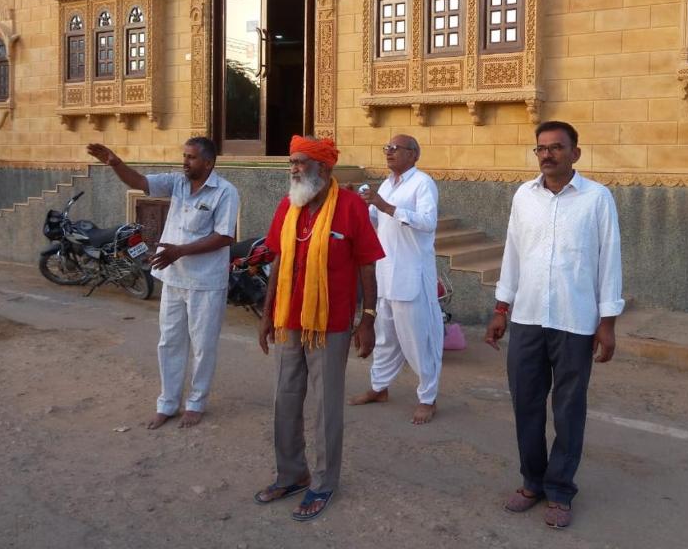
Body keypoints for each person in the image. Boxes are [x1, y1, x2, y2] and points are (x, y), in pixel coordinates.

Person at [484, 121, 623, 530]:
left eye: (557, 148)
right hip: (526, 317)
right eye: (541, 148)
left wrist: (607, 322)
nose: (548, 154)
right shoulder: (523, 197)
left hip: (574, 320)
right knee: (525, 404)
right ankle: (532, 482)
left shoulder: (598, 199)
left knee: (567, 409)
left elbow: (609, 260)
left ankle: (560, 489)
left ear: (575, 153)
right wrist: (500, 308)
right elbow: (513, 253)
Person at [255, 135, 384, 521]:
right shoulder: (288, 205)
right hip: (287, 320)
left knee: (327, 405)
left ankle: (324, 482)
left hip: (331, 324)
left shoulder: (350, 208)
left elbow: (367, 265)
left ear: (324, 169)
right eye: (291, 162)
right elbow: (278, 261)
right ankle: (292, 473)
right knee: (285, 398)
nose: (293, 169)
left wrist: (369, 319)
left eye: (301, 162)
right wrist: (266, 315)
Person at [87, 138, 238, 430]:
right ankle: (168, 403)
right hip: (173, 279)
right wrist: (115, 163)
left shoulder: (226, 192)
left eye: (191, 157)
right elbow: (142, 182)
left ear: (208, 163)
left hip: (205, 283)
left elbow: (224, 237)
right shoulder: (177, 183)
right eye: (184, 156)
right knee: (169, 342)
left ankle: (196, 403)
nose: (185, 162)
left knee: (203, 346)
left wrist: (179, 251)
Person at [349, 134, 443, 425]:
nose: (389, 152)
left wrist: (385, 205)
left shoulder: (422, 183)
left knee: (418, 340)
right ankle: (379, 388)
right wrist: (362, 204)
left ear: (413, 155)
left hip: (412, 274)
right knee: (385, 336)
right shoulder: (388, 184)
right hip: (385, 273)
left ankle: (428, 398)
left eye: (395, 148)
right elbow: (378, 224)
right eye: (386, 148)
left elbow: (427, 222)